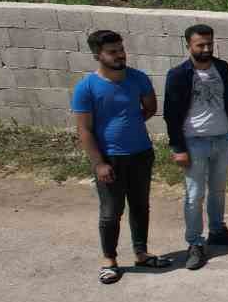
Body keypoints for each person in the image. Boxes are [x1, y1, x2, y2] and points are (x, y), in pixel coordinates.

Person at [71, 30, 171, 283]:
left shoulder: (138, 78)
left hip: (140, 154)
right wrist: (99, 163)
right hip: (109, 160)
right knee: (111, 212)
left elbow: (150, 108)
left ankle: (141, 253)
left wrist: (130, 127)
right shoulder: (86, 88)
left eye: (121, 49)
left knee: (140, 206)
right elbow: (84, 129)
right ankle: (109, 261)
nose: (119, 55)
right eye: (112, 52)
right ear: (98, 55)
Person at [163, 24, 228, 271]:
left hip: (221, 138)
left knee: (218, 189)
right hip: (194, 142)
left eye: (210, 43)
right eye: (200, 45)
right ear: (188, 45)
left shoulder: (222, 67)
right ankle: (194, 243)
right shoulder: (178, 74)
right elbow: (170, 114)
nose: (206, 48)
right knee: (194, 195)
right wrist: (178, 147)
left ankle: (217, 230)